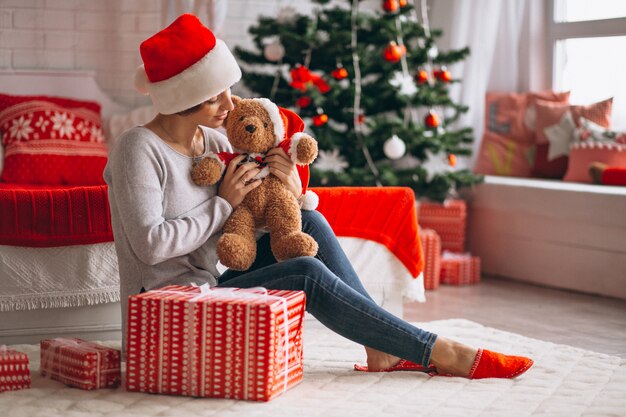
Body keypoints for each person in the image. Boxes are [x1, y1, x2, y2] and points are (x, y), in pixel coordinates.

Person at [104, 13, 533, 379]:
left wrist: (285, 186)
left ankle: (381, 348)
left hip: (210, 287)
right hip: (164, 313)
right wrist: (224, 205)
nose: (229, 104)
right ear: (181, 96)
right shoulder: (137, 149)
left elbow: (252, 219)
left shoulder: (214, 143)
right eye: (214, 96)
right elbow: (151, 245)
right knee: (304, 271)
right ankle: (438, 352)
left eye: (228, 90)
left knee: (310, 224)